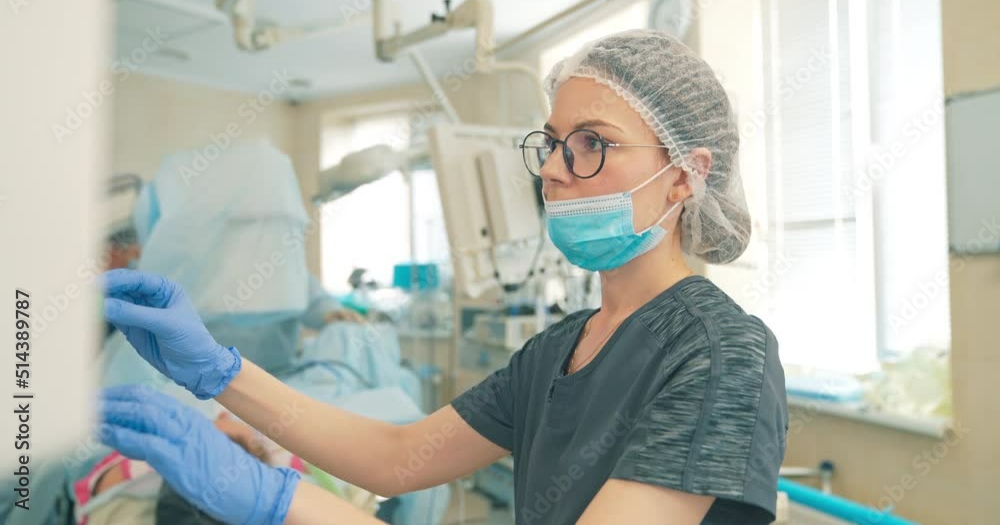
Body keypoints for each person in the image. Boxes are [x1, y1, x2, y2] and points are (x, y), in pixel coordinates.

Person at [98, 30, 788, 525]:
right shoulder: (557, 351)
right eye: (552, 143)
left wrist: (280, 500)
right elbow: (398, 455)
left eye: (591, 144)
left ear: (685, 176)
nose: (552, 169)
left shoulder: (720, 353)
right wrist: (219, 372)